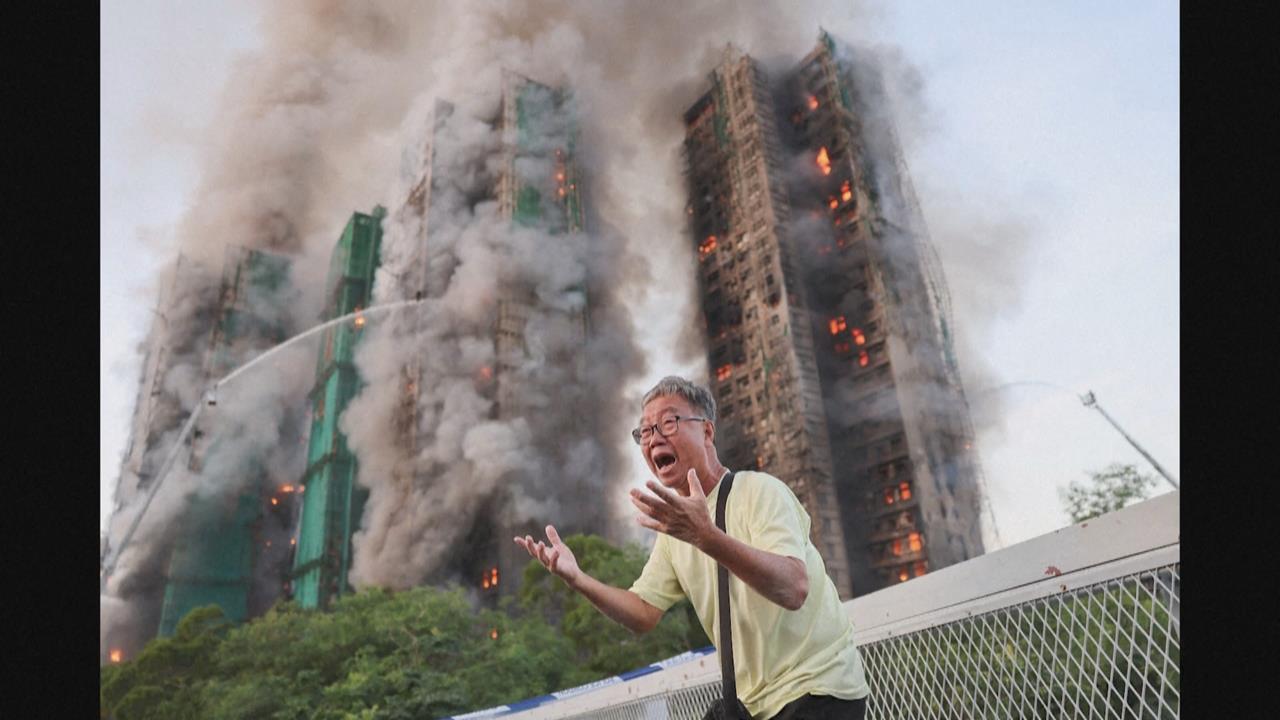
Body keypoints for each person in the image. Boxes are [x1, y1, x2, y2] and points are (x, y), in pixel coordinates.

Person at [515, 376, 870, 719]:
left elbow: (794, 588)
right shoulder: (674, 532)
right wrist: (578, 579)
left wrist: (706, 536)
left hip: (818, 690)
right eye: (646, 431)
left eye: (669, 422)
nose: (654, 438)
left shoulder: (759, 491)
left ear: (707, 431)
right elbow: (643, 612)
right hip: (752, 705)